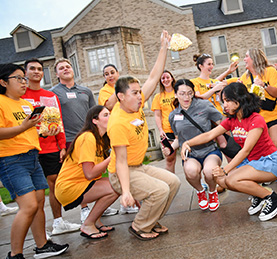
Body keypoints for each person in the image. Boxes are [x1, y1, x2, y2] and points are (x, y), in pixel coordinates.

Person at [0, 63, 68, 259]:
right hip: (12, 160)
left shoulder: (24, 103)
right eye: (19, 78)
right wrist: (24, 127)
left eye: (24, 78)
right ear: (3, 82)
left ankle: (42, 246)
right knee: (28, 205)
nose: (24, 82)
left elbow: (31, 130)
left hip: (32, 157)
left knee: (39, 201)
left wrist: (46, 128)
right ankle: (14, 256)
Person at [108, 30, 181, 241]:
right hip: (122, 172)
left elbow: (153, 76)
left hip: (138, 166)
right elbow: (120, 162)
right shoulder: (118, 122)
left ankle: (151, 218)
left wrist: (163, 47)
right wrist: (125, 191)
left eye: (140, 91)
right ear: (121, 97)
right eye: (135, 93)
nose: (141, 96)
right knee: (159, 191)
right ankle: (140, 226)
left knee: (173, 182)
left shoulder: (135, 106)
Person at [181, 82, 277, 222]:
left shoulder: (256, 120)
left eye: (228, 101)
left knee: (231, 179)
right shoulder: (232, 120)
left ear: (239, 100)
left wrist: (225, 169)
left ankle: (273, 198)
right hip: (252, 162)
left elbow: (245, 150)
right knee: (220, 179)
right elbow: (209, 135)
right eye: (223, 101)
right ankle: (258, 195)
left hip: (269, 162)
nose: (224, 105)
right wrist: (187, 143)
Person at [51, 59, 118, 219]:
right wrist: (60, 145)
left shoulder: (85, 91)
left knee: (95, 169)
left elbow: (95, 112)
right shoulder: (53, 93)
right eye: (61, 68)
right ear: (56, 73)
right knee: (79, 172)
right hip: (70, 138)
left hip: (92, 135)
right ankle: (84, 209)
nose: (65, 69)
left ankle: (99, 204)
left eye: (68, 66)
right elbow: (53, 119)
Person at [22, 58, 80, 235]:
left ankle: (58, 222)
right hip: (29, 149)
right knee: (35, 192)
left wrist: (62, 146)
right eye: (32, 69)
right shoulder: (20, 97)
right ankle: (39, 231)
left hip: (51, 149)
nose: (36, 72)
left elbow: (59, 122)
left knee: (55, 185)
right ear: (25, 73)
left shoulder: (50, 96)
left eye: (40, 69)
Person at [55, 106, 119, 239]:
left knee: (116, 183)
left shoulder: (102, 139)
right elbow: (89, 173)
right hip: (69, 187)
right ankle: (88, 224)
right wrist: (111, 158)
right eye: (106, 115)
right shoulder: (88, 137)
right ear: (95, 120)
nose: (110, 117)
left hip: (83, 182)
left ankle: (96, 221)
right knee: (114, 187)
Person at [236, 49, 277, 184]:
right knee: (263, 149)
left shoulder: (269, 71)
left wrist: (264, 85)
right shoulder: (245, 77)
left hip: (275, 114)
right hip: (257, 119)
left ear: (254, 58)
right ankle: (270, 174)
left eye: (246, 56)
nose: (244, 59)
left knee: (276, 144)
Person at [168, 79, 223, 211]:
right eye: (182, 94)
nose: (186, 97)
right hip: (191, 154)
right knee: (191, 172)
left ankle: (212, 191)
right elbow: (178, 138)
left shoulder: (204, 105)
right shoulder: (173, 115)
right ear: (175, 94)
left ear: (193, 93)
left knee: (210, 172)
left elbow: (222, 122)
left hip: (209, 149)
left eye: (189, 93)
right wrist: (169, 148)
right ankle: (200, 191)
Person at [97, 64, 139, 215]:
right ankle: (125, 200)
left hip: (129, 128)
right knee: (120, 163)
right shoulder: (104, 91)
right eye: (106, 74)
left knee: (129, 164)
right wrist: (120, 89)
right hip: (116, 131)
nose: (110, 76)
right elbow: (108, 104)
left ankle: (129, 199)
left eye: (112, 72)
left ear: (118, 73)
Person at [151, 70, 177, 173]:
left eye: (167, 77)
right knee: (170, 158)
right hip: (167, 131)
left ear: (172, 78)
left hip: (182, 128)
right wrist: (160, 130)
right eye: (163, 78)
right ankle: (172, 184)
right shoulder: (158, 97)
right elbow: (157, 115)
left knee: (190, 156)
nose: (165, 80)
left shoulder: (178, 92)